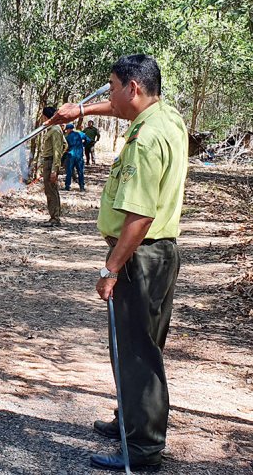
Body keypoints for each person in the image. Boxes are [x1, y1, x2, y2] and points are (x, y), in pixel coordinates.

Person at [50, 54, 187, 471]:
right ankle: (130, 421)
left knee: (136, 352)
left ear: (133, 88)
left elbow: (140, 217)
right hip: (159, 254)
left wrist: (111, 268)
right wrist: (81, 110)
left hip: (140, 256)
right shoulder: (165, 117)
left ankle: (142, 450)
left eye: (111, 87)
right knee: (141, 345)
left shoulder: (146, 140)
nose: (108, 96)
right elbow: (118, 109)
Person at [38, 107, 66, 227]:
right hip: (48, 162)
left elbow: (57, 151)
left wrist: (54, 169)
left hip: (50, 163)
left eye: (42, 116)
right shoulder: (53, 128)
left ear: (45, 116)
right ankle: (54, 216)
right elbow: (65, 145)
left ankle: (55, 218)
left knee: (51, 191)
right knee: (51, 190)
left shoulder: (55, 130)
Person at [63, 124, 90, 191]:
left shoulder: (67, 137)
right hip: (79, 155)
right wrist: (83, 145)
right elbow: (88, 140)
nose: (67, 131)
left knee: (69, 171)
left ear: (69, 129)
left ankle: (67, 186)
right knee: (80, 171)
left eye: (67, 130)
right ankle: (82, 187)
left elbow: (65, 146)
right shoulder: (80, 134)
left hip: (71, 155)